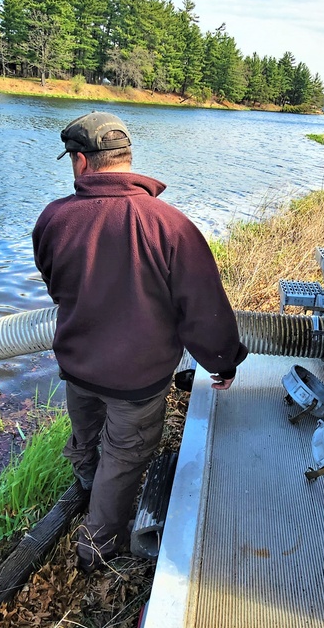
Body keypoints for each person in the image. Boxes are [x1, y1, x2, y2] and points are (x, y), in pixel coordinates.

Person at [32, 111, 247, 572]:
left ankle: (88, 499)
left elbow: (55, 284)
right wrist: (222, 362)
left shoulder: (53, 219)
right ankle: (98, 548)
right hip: (137, 380)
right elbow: (203, 308)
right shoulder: (169, 225)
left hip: (77, 368)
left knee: (86, 438)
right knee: (123, 457)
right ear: (127, 159)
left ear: (80, 161)